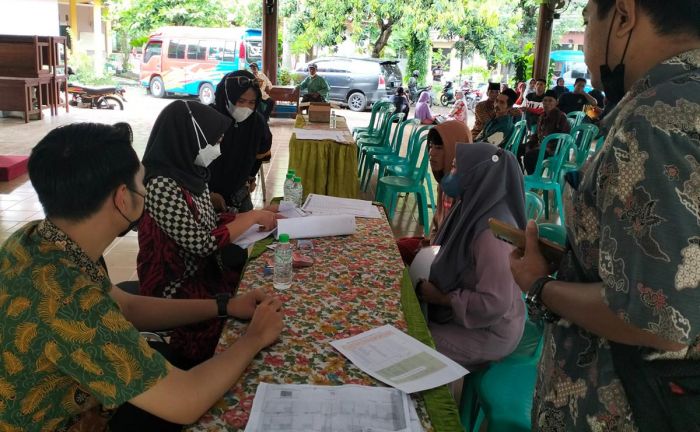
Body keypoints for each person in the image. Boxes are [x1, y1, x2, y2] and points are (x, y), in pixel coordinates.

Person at [0, 122, 283, 431]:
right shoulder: (70, 300)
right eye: (141, 184)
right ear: (123, 198)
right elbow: (185, 400)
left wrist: (225, 305)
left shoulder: (36, 240)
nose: (146, 192)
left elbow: (126, 307)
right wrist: (253, 338)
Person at [509, 0, 700, 430]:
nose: (585, 40)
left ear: (623, 16)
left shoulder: (656, 119)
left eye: (584, 19)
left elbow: (660, 318)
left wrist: (540, 285)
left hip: (623, 406)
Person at [137, 100, 279, 367]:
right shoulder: (162, 184)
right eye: (215, 141)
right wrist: (251, 217)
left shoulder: (191, 174)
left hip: (202, 272)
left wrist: (256, 217)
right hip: (175, 286)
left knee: (263, 295)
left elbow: (210, 221)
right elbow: (201, 243)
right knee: (241, 328)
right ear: (191, 138)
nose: (218, 147)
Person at [417, 143, 526, 367]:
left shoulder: (492, 237)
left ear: (476, 176)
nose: (451, 174)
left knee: (412, 342)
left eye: (457, 169)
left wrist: (442, 298)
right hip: (471, 317)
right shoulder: (473, 207)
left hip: (491, 330)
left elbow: (495, 303)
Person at [396, 120, 471, 264]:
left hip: (449, 259)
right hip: (438, 245)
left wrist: (430, 248)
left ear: (456, 149)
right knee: (399, 244)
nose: (431, 153)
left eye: (439, 147)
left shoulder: (464, 192)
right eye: (430, 147)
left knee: (398, 249)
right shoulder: (444, 183)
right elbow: (438, 226)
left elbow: (456, 245)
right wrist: (429, 242)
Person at [208, 70, 272, 212]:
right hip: (205, 195)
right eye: (240, 101)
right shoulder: (208, 119)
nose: (246, 108)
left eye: (252, 102)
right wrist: (207, 194)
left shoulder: (257, 123)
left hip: (239, 194)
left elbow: (261, 153)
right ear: (226, 96)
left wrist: (250, 178)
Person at [522, 89, 571, 173]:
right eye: (545, 100)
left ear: (556, 102)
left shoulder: (561, 117)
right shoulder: (542, 116)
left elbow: (564, 137)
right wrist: (531, 142)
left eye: (550, 101)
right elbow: (537, 134)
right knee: (516, 149)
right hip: (540, 145)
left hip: (551, 149)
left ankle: (534, 179)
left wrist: (548, 147)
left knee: (529, 157)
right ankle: (518, 175)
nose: (547, 103)